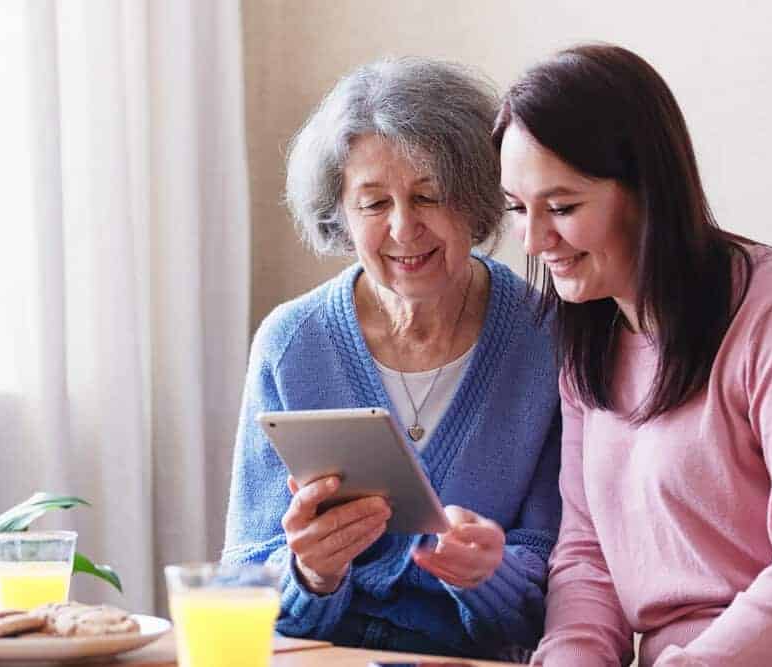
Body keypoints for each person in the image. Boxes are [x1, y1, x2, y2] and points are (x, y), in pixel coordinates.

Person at [494, 43, 772, 666]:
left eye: (562, 207)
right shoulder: (590, 343)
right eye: (517, 208)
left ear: (647, 191)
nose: (533, 240)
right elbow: (588, 559)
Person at [223, 57, 561, 660]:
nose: (404, 229)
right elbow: (242, 579)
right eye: (374, 203)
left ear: (477, 200)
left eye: (429, 196)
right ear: (340, 212)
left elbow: (567, 575)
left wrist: (492, 574)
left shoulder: (545, 339)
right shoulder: (293, 343)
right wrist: (312, 573)